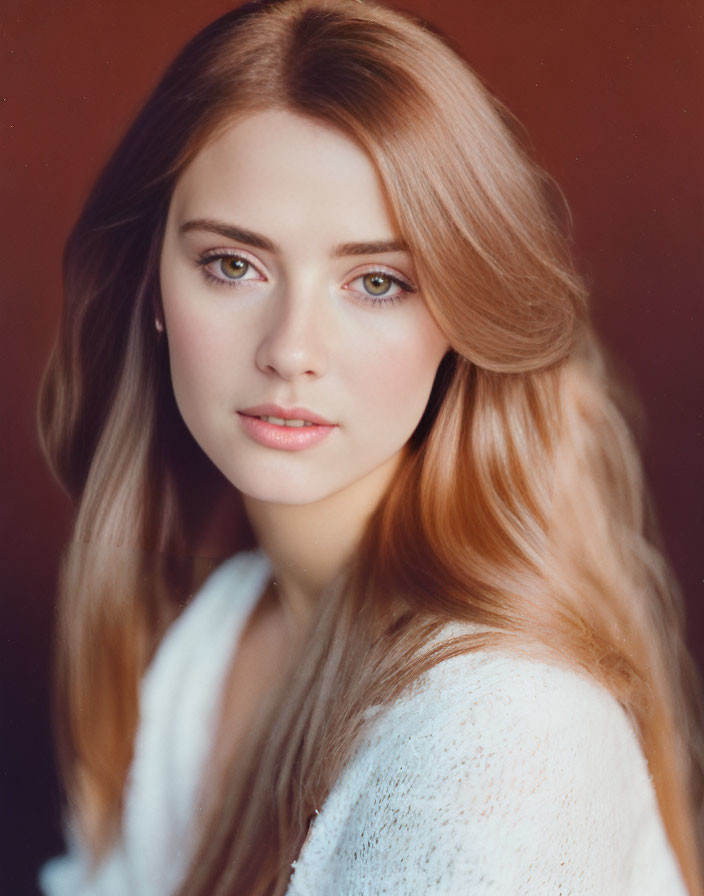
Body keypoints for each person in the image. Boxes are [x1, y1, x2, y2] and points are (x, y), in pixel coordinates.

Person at [37, 0, 703, 893]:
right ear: (152, 285)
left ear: (461, 320)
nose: (291, 350)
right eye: (234, 264)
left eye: (378, 282)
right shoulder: (213, 635)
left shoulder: (503, 731)